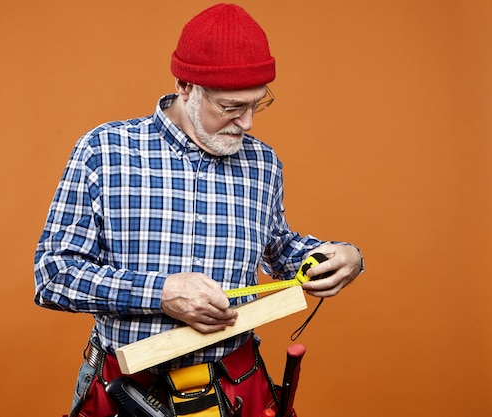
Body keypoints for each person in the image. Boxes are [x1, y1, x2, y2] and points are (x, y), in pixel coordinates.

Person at [34, 4, 363, 417]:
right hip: (130, 393)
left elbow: (278, 250)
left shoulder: (262, 162)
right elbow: (53, 276)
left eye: (256, 105)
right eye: (231, 107)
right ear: (185, 86)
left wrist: (339, 257)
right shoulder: (104, 150)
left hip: (235, 390)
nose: (247, 124)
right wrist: (162, 293)